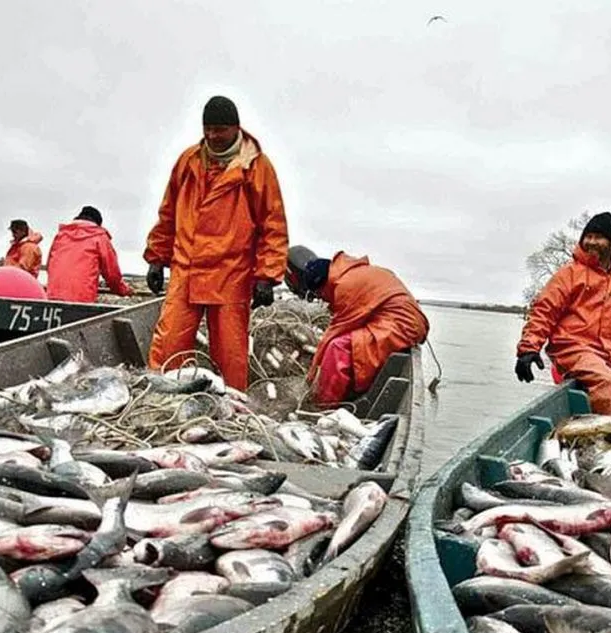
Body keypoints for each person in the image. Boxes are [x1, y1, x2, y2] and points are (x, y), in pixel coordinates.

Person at [144, 95, 288, 390]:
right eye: (207, 128)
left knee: (231, 354)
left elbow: (273, 225)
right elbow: (168, 212)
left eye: (219, 129)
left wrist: (267, 276)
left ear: (235, 128)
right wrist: (157, 259)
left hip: (231, 275)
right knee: (168, 345)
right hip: (186, 269)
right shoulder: (188, 161)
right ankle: (155, 400)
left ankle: (234, 411)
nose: (212, 135)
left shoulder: (257, 168)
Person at [514, 211, 611, 418]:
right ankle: (604, 441)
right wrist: (528, 349)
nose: (591, 242)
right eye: (588, 237)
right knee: (608, 385)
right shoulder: (569, 274)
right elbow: (544, 311)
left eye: (598, 237)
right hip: (573, 349)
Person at [285, 245, 430, 406]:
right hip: (402, 321)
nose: (323, 299)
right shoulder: (350, 272)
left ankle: (323, 405)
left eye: (320, 295)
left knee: (338, 348)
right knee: (343, 345)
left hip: (401, 326)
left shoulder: (344, 286)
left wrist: (310, 381)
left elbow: (332, 336)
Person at [44, 206, 132, 304]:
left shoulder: (61, 235)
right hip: (81, 301)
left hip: (52, 299)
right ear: (98, 224)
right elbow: (112, 274)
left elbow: (49, 266)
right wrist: (124, 290)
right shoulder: (99, 237)